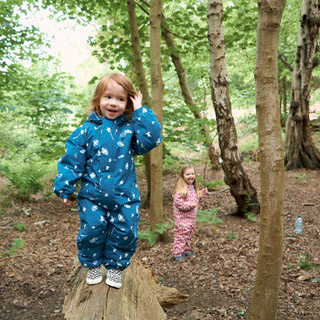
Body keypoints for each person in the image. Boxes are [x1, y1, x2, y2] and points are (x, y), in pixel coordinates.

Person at [53, 73, 162, 288]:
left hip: (125, 196)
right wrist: (65, 187)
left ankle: (115, 267)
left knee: (126, 231)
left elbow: (152, 138)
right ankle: (92, 264)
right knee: (92, 229)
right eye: (108, 97)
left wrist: (141, 111)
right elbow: (72, 160)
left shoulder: (130, 129)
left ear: (128, 102)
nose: (113, 103)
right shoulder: (86, 130)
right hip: (92, 196)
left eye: (120, 99)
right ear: (98, 100)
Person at [172, 164, 207, 261]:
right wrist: (190, 205)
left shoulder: (192, 187)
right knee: (182, 235)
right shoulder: (180, 190)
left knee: (188, 235)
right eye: (187, 174)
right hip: (182, 218)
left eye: (192, 174)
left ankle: (185, 251)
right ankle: (177, 253)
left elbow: (197, 200)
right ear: (182, 176)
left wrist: (202, 194)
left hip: (191, 218)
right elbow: (179, 204)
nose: (190, 176)